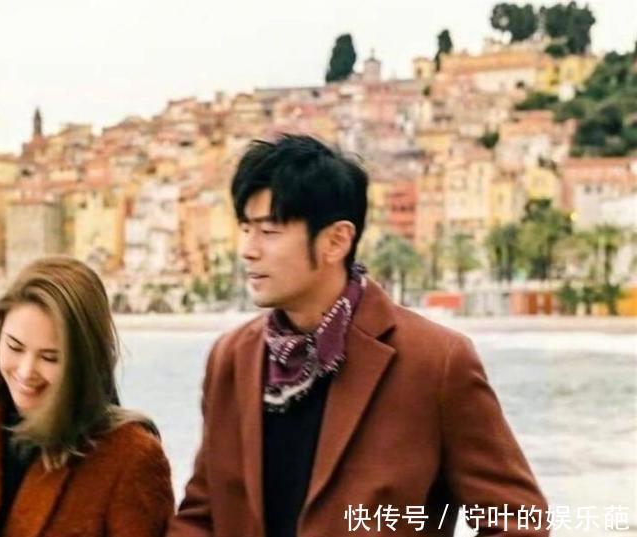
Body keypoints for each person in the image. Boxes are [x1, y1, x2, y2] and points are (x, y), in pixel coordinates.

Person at [167, 135, 548, 537]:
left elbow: (519, 519)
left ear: (336, 240)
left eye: (269, 231)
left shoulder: (435, 361)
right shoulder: (232, 357)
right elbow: (202, 517)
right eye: (245, 229)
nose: (248, 249)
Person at [0, 256, 174, 537]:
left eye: (50, 357)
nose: (26, 371)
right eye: (15, 347)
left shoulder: (131, 458)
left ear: (86, 361)